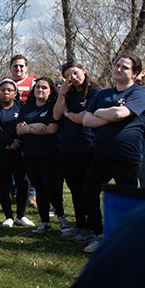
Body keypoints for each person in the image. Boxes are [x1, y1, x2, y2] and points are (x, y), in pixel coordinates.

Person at [80, 53, 145, 253]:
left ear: (135, 73)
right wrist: (110, 114)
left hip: (127, 156)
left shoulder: (140, 93)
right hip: (102, 154)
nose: (118, 69)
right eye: (117, 65)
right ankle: (99, 235)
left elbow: (121, 114)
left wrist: (102, 113)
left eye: (125, 67)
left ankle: (125, 240)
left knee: (125, 202)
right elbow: (86, 120)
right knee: (88, 195)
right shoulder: (103, 94)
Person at [53, 62, 101, 241]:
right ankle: (80, 225)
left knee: (88, 190)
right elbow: (57, 115)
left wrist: (68, 114)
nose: (73, 77)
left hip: (87, 147)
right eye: (68, 75)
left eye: (75, 72)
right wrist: (62, 93)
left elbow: (85, 119)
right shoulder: (68, 94)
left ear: (84, 71)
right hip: (67, 147)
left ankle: (93, 227)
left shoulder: (95, 92)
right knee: (74, 189)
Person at [16, 78, 69, 233]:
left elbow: (51, 129)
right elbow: (19, 129)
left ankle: (62, 218)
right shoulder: (27, 107)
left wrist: (28, 127)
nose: (40, 90)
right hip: (31, 153)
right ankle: (44, 222)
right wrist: (33, 128)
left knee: (51, 187)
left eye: (44, 87)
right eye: (37, 87)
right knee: (39, 188)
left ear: (50, 90)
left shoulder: (54, 107)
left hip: (51, 152)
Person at [0, 79, 32, 227]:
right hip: (1, 152)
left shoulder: (22, 108)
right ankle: (8, 216)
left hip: (20, 151)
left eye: (9, 90)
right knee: (4, 183)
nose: (5, 93)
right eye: (2, 90)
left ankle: (20, 216)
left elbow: (27, 125)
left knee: (23, 183)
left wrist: (17, 142)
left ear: (15, 93)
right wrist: (9, 142)